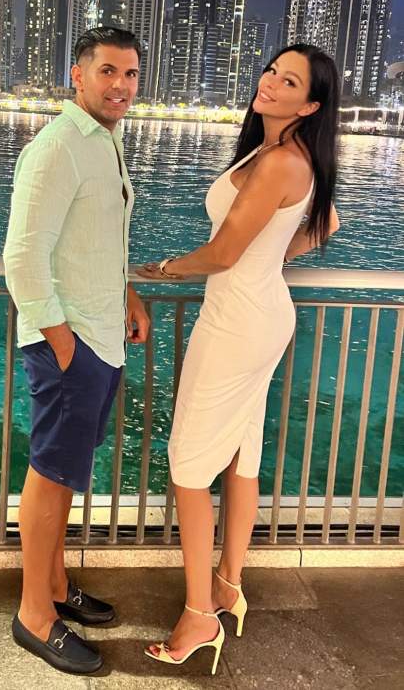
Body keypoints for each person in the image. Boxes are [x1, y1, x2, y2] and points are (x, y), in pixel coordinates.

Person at [137, 44, 340, 675]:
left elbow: (222, 254)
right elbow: (326, 222)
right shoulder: (284, 154)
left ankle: (200, 616)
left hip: (236, 323)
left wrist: (158, 269)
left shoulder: (280, 161)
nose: (271, 82)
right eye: (272, 71)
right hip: (257, 315)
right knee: (240, 453)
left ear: (310, 105)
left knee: (188, 465)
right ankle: (227, 584)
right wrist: (271, 258)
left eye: (290, 82)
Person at [3, 26, 150, 675]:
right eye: (108, 71)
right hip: (70, 342)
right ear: (79, 75)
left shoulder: (105, 142)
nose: (121, 85)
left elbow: (98, 240)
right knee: (50, 473)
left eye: (131, 73)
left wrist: (128, 296)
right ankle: (34, 614)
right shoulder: (58, 146)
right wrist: (63, 343)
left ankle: (57, 584)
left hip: (100, 334)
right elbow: (22, 256)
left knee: (65, 474)